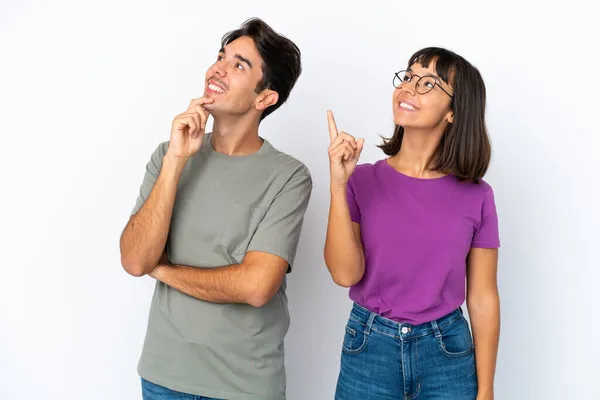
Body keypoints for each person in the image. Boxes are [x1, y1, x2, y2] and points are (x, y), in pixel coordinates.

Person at [119, 18, 312, 400]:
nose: (218, 69)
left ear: (265, 98)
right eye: (221, 57)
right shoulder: (167, 154)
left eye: (239, 65)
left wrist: (164, 270)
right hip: (164, 378)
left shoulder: (289, 176)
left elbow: (256, 287)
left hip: (244, 386)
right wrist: (176, 160)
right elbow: (135, 259)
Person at [324, 47, 500, 399]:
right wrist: (338, 183)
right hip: (369, 347)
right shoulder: (361, 180)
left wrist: (486, 389)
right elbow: (345, 274)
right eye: (407, 77)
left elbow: (482, 297)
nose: (408, 87)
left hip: (447, 354)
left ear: (453, 112)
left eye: (428, 84)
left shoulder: (477, 196)